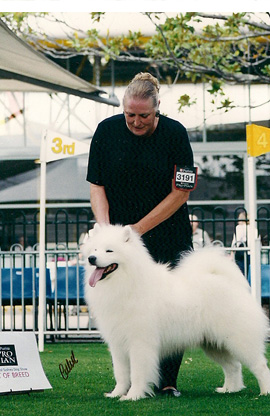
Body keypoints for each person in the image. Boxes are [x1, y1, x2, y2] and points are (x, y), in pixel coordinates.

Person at [87, 72, 194, 397]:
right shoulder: (106, 131)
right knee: (125, 313)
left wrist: (137, 229)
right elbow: (96, 186)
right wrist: (106, 229)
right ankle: (129, 380)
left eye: (143, 116)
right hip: (118, 245)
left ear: (157, 108)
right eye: (130, 114)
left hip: (167, 235)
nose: (135, 121)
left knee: (171, 307)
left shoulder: (176, 133)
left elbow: (182, 191)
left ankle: (167, 381)